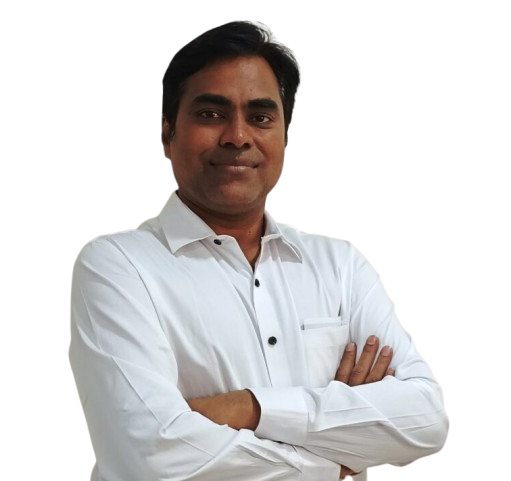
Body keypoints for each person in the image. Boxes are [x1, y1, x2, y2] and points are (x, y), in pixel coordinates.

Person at [68, 19, 449, 480]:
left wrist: (248, 408)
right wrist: (332, 462)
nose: (237, 136)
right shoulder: (117, 266)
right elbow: (149, 456)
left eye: (261, 117)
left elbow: (427, 420)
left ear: (284, 138)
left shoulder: (340, 265)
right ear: (167, 134)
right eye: (211, 114)